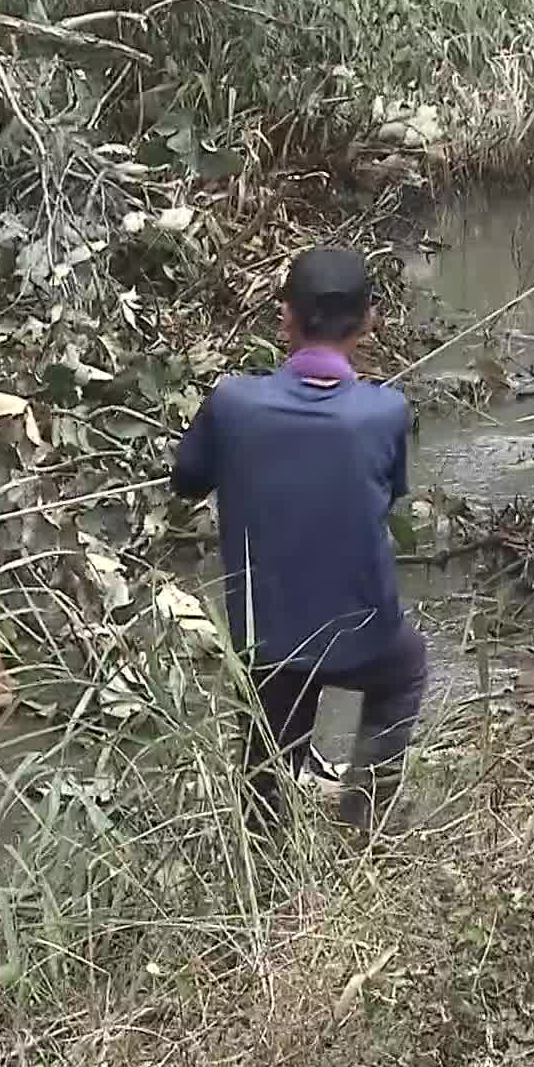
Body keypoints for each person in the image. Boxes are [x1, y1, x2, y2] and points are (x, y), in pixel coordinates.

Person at [170, 245, 428, 837]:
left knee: (270, 741)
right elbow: (385, 497)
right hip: (366, 636)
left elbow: (186, 481)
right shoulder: (385, 410)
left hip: (270, 640)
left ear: (285, 317)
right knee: (406, 668)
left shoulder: (233, 402)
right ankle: (366, 822)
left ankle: (263, 858)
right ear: (370, 320)